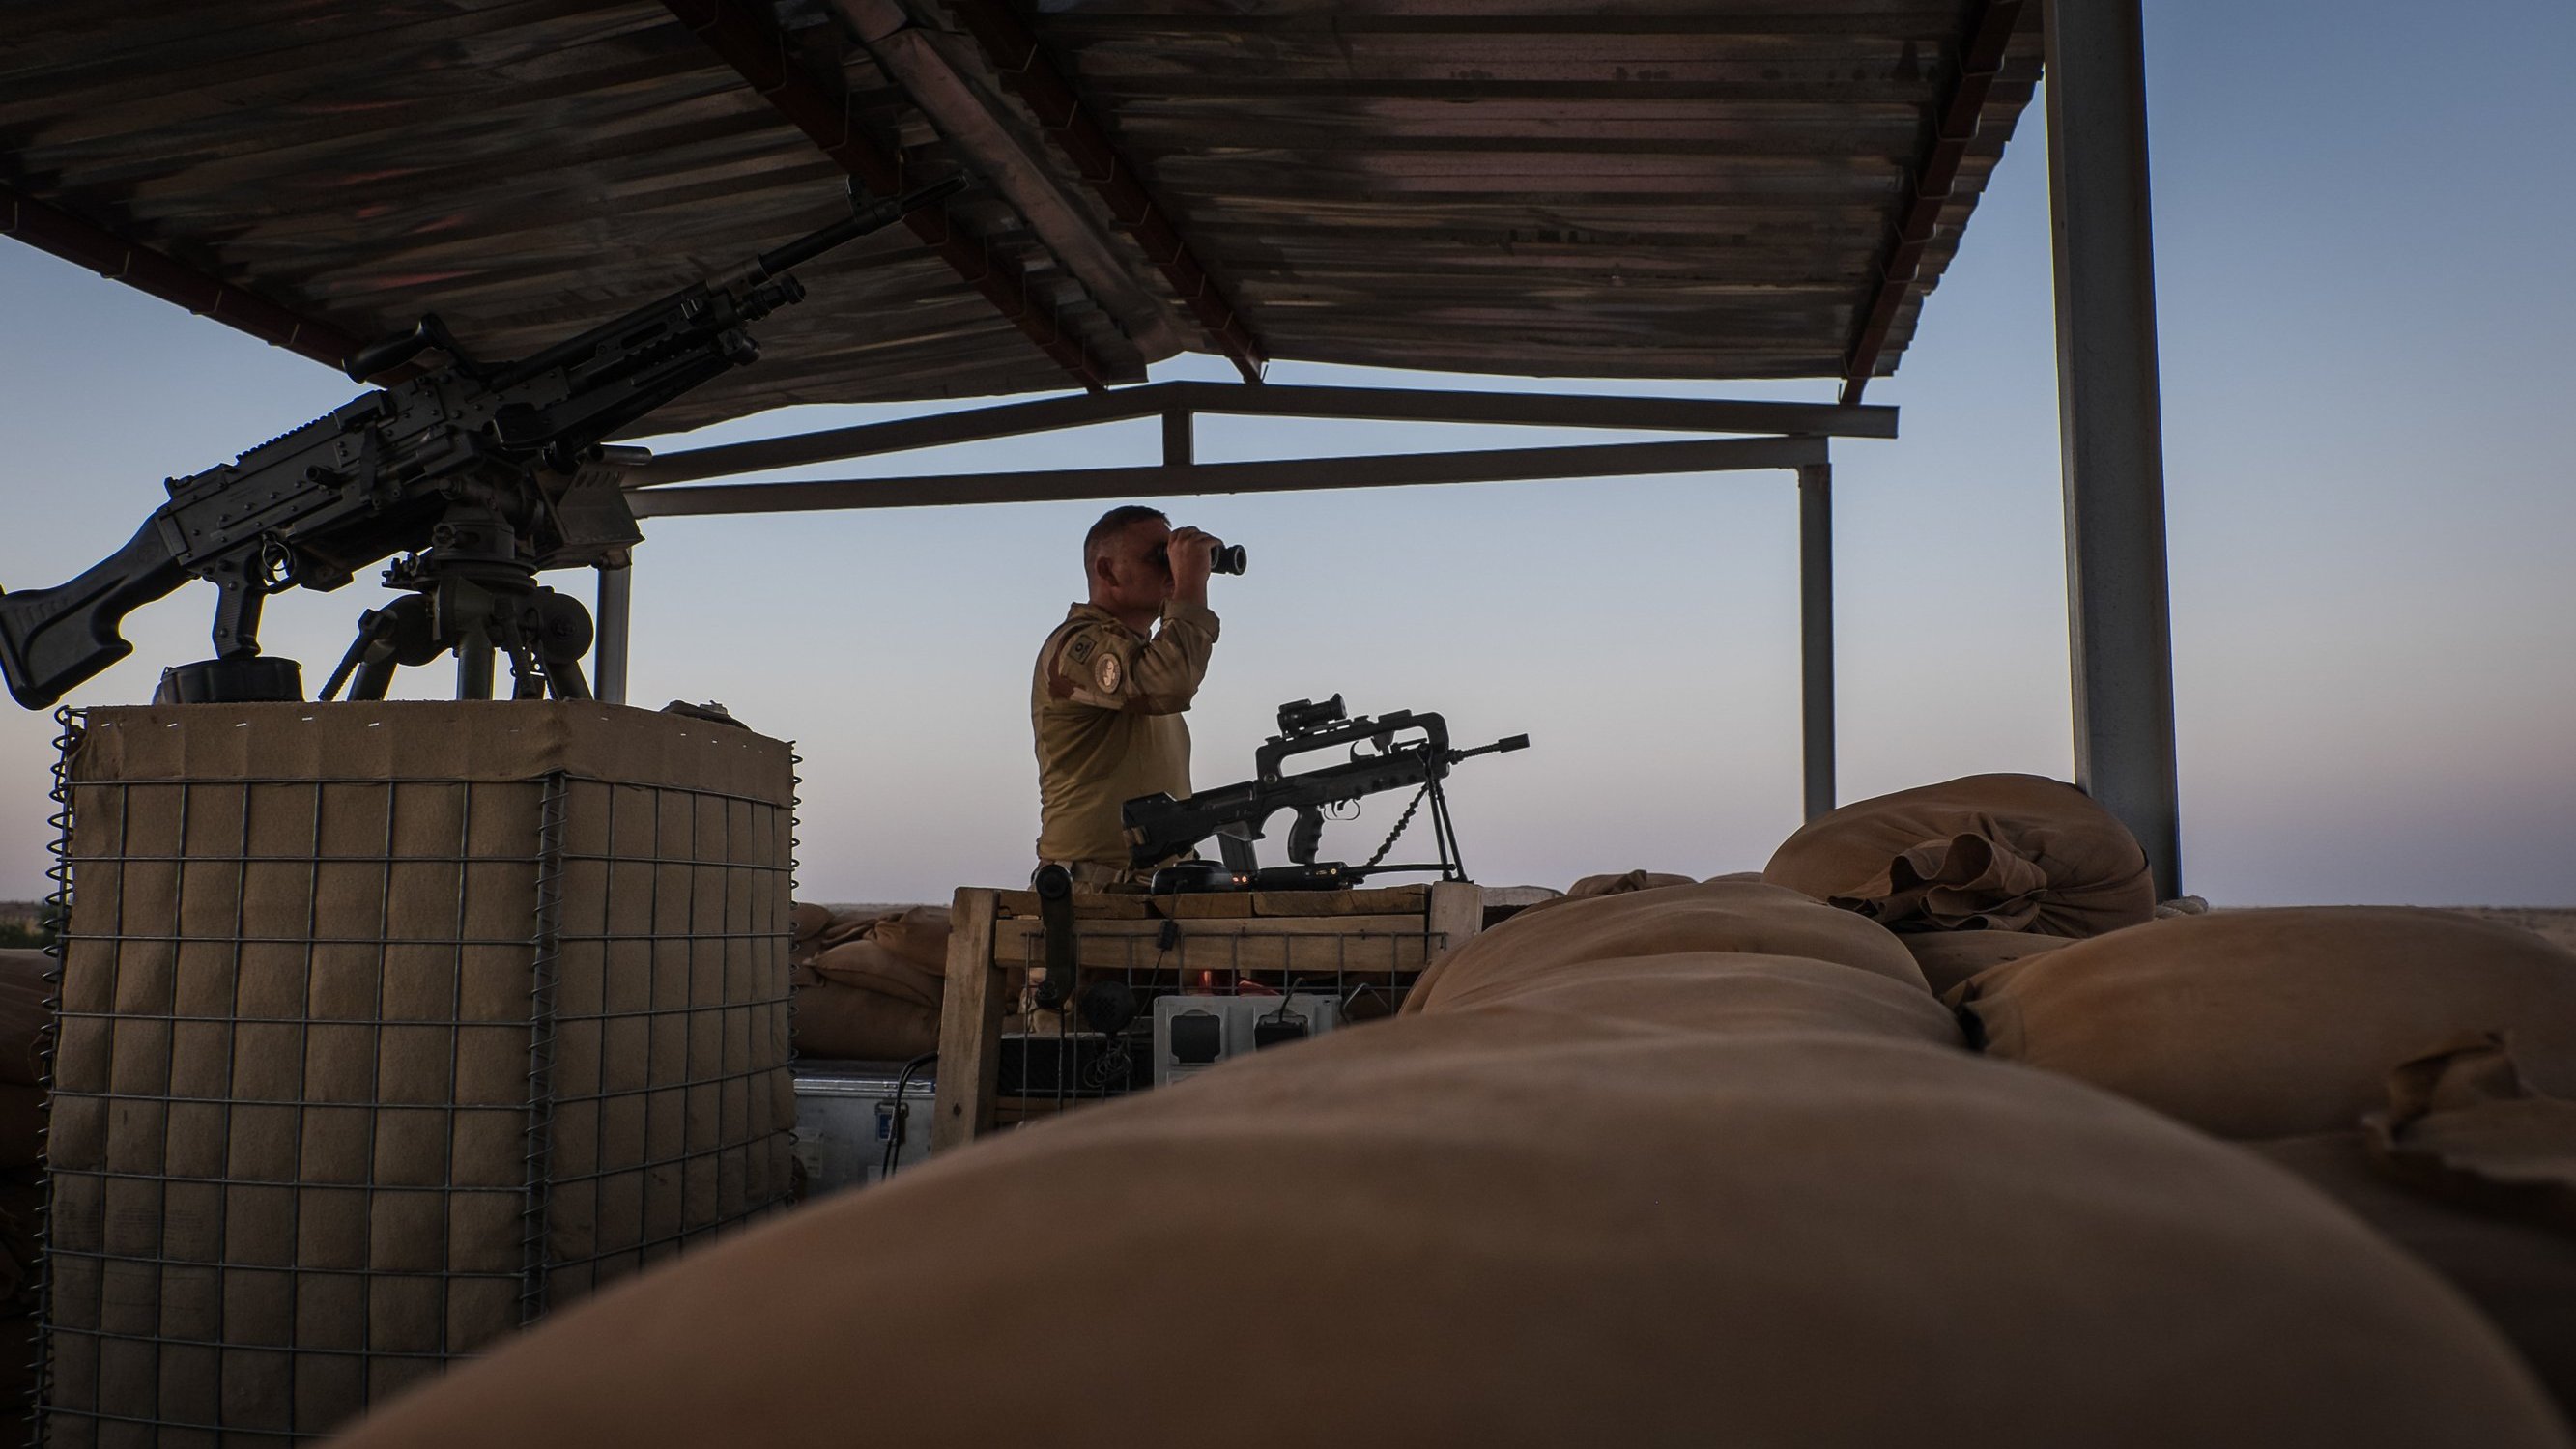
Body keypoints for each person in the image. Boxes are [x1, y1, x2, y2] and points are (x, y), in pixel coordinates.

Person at [1030, 505, 1222, 890]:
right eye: (1159, 558)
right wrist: (1190, 587)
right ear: (1107, 571)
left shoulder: (1143, 660)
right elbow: (1171, 682)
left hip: (1153, 890)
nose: (1171, 571)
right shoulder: (1074, 647)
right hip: (1092, 896)